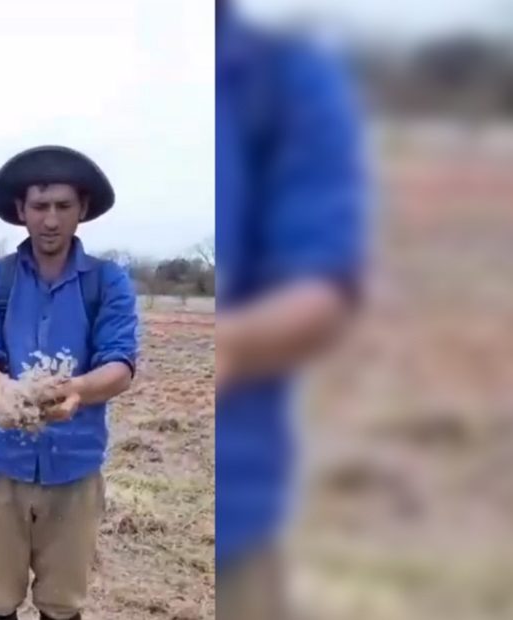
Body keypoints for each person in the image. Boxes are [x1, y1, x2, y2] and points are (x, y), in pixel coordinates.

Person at [216, 2, 369, 618]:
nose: (48, 216)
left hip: (236, 516)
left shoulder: (287, 81)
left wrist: (234, 346)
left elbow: (326, 288)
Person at [0, 145, 139, 620]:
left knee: (62, 605)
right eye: (40, 207)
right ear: (21, 212)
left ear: (82, 209)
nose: (51, 220)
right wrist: (4, 390)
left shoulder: (109, 282)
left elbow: (119, 365)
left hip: (74, 471)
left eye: (63, 206)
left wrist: (77, 391)